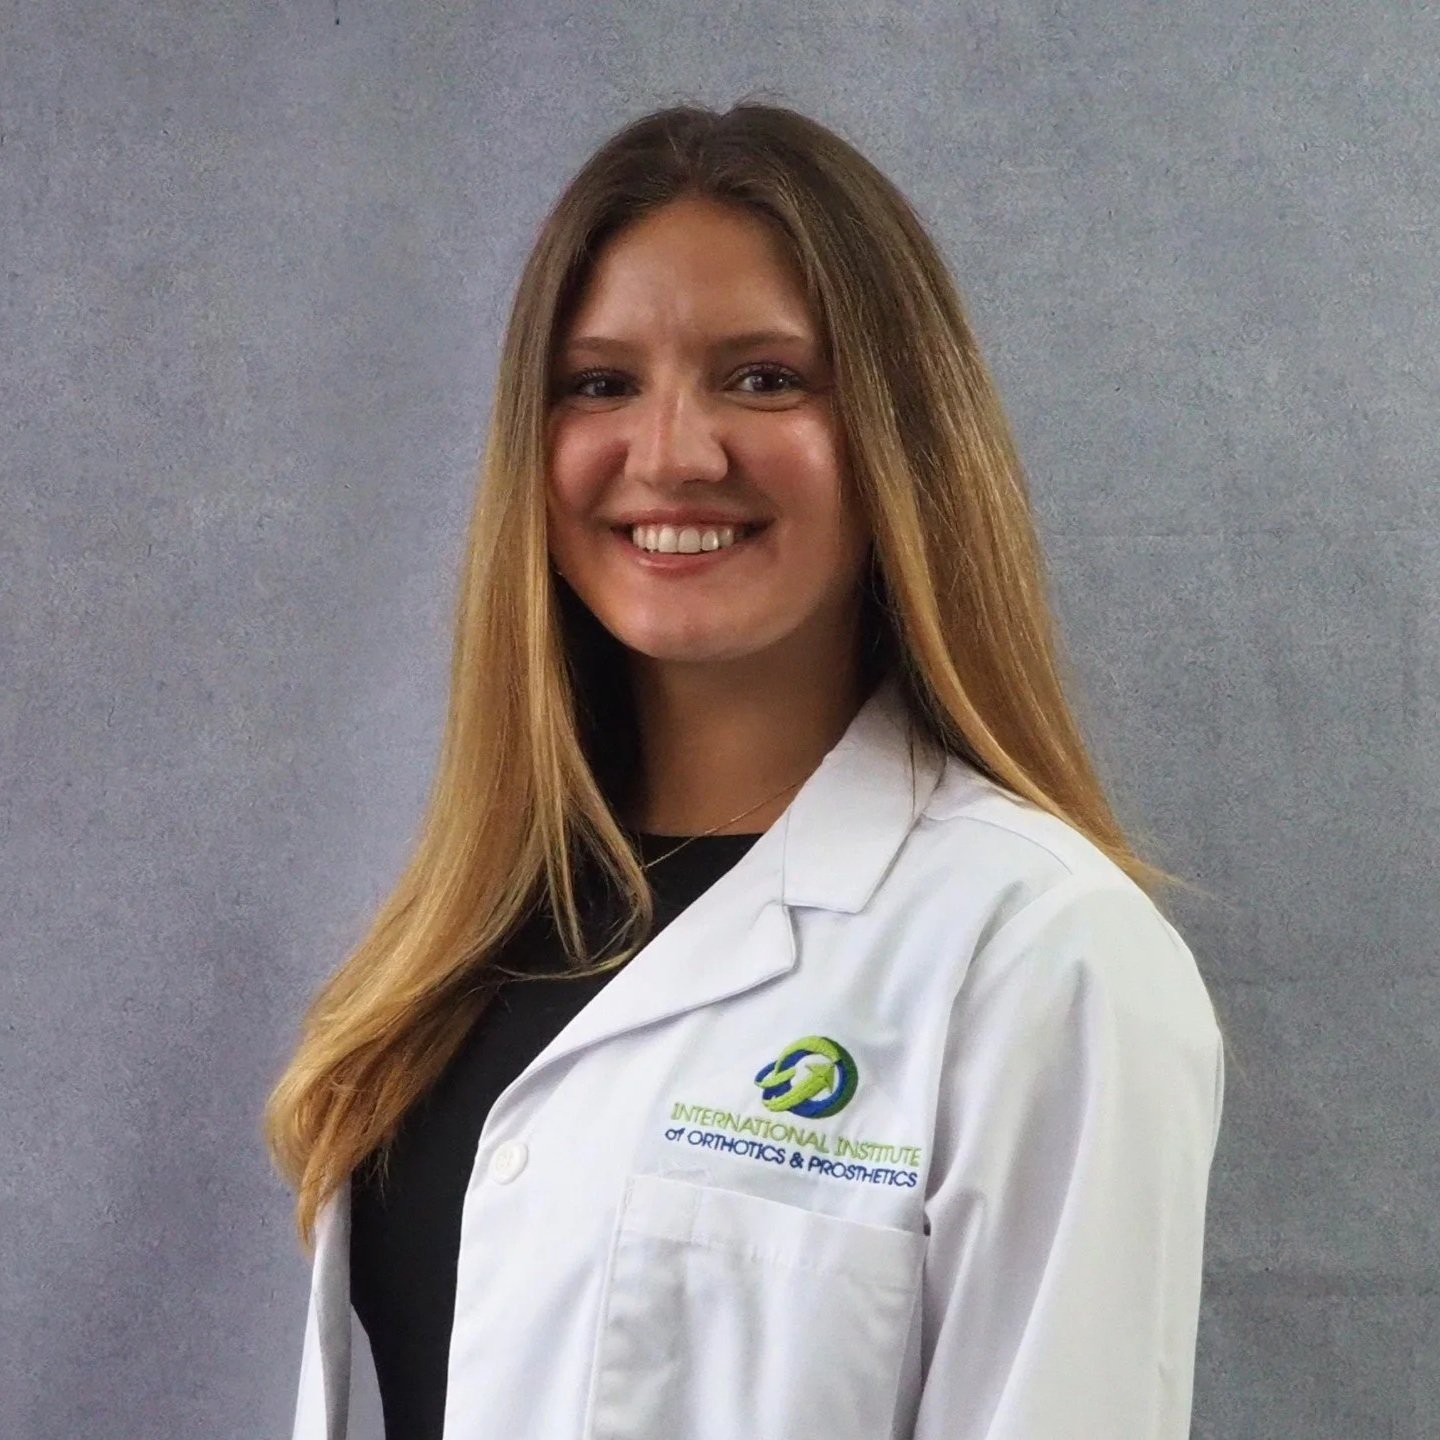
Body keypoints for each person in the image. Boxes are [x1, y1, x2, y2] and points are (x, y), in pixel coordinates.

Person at [264, 99, 1229, 1440]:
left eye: (764, 378)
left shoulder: (1041, 955)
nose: (671, 453)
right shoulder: (472, 932)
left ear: (902, 438)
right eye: (599, 383)